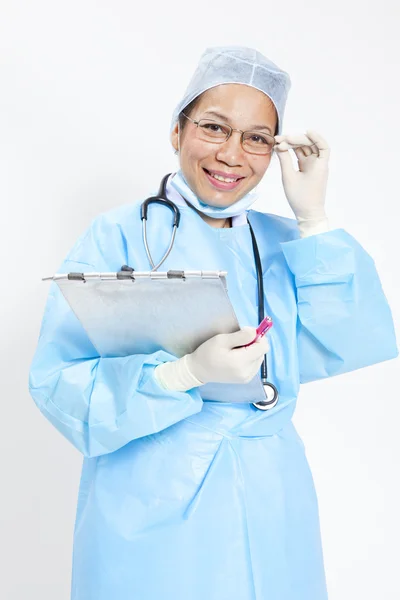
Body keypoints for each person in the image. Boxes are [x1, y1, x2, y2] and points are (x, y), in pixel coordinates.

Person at [29, 46, 398, 600]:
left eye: (256, 138)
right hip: (153, 500)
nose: (232, 153)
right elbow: (58, 383)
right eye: (213, 127)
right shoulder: (119, 236)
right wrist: (178, 376)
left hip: (273, 495)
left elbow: (349, 341)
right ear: (177, 132)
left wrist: (314, 220)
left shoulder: (284, 242)